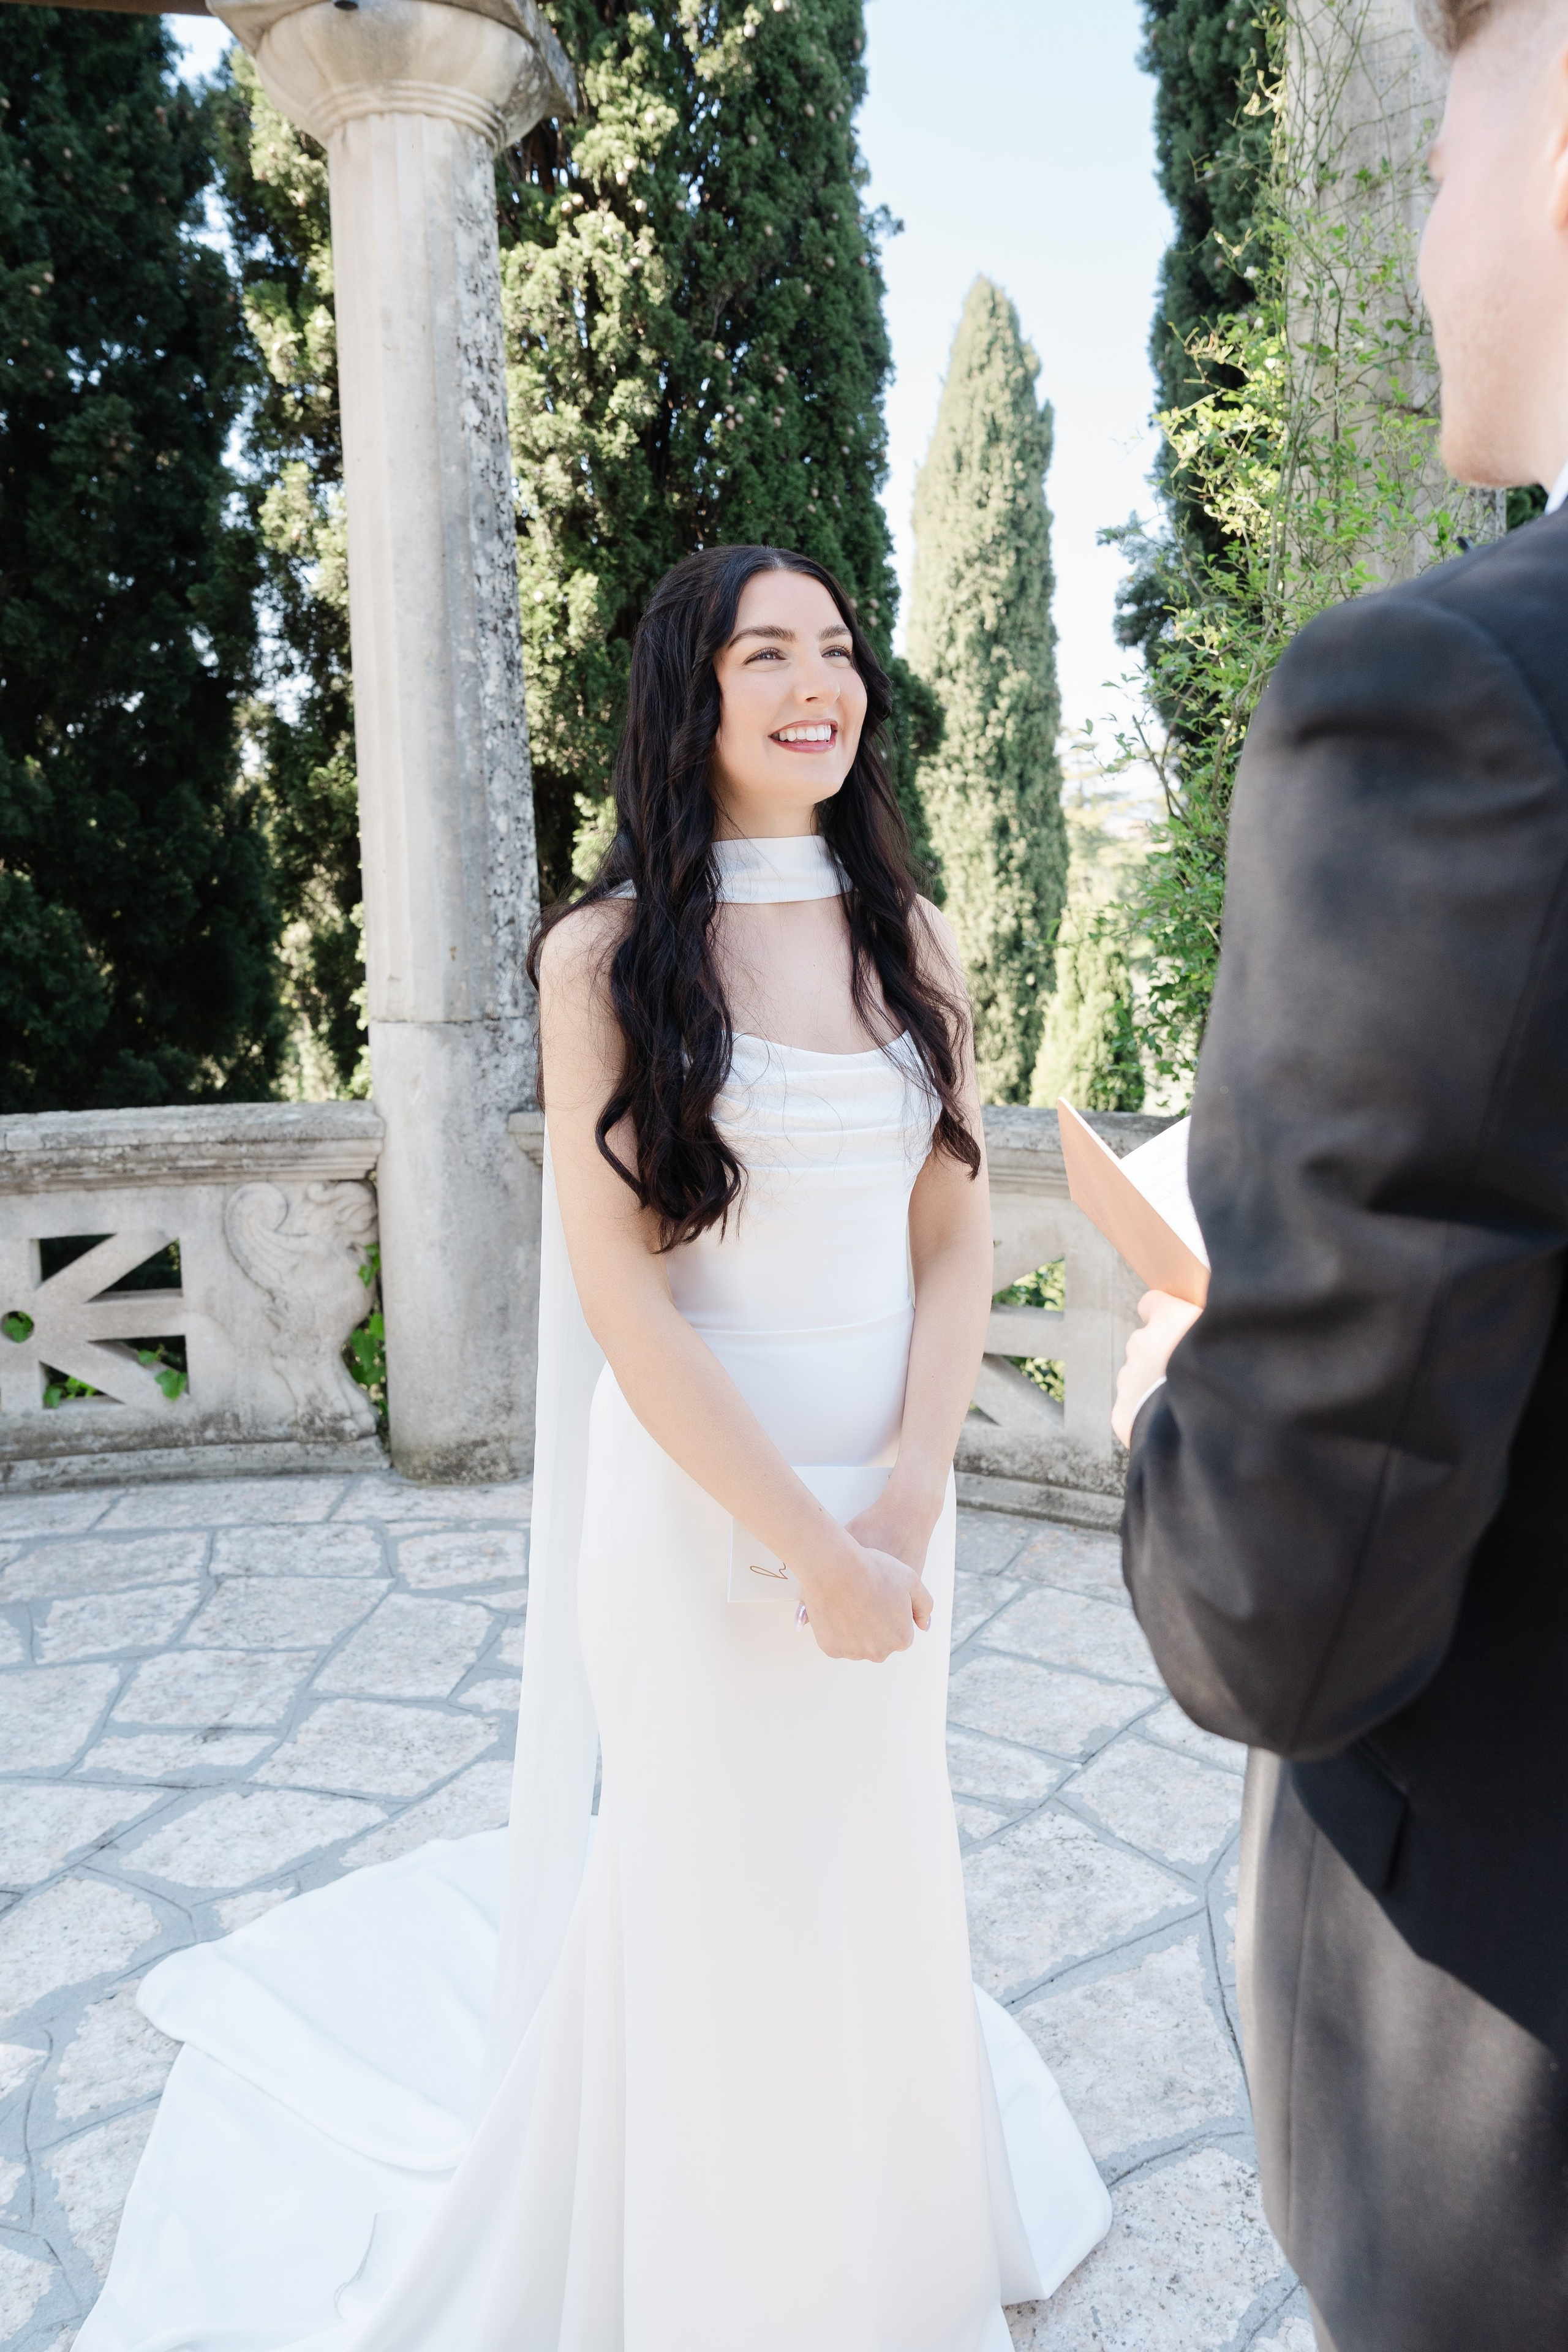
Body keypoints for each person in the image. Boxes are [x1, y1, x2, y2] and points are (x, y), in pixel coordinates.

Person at [78, 546, 1109, 2351]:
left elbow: (957, 1243)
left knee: (873, 1866)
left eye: (839, 652)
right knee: (715, 1884)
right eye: (766, 653)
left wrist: (910, 1498)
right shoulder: (605, 955)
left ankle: (881, 2255)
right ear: (688, 699)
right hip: (710, 1510)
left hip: (892, 1485)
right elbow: (630, 1309)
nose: (817, 684)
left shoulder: (912, 936)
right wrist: (810, 1545)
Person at [1111, 6, 1568, 2350]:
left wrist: (1185, 1374)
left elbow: (1282, 1618)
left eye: (1442, 130)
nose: (1419, 219)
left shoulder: (1462, 709)